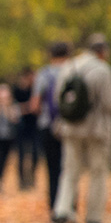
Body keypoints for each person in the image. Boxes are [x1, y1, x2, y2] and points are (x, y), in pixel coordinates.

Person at [51, 33, 111, 223]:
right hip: (97, 130)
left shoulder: (69, 66)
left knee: (69, 171)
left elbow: (59, 98)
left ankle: (62, 210)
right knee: (97, 173)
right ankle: (93, 219)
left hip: (71, 128)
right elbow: (110, 102)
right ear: (103, 51)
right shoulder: (103, 70)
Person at [30, 41, 71, 212]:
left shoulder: (44, 74)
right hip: (71, 127)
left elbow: (35, 105)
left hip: (48, 126)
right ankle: (69, 207)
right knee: (70, 170)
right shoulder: (74, 72)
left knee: (52, 169)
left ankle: (55, 209)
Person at [0, 82, 20, 194]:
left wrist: (6, 107)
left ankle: (1, 180)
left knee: (5, 160)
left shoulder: (13, 106)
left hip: (9, 138)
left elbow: (14, 119)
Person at [12, 67, 39, 190]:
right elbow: (14, 109)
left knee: (35, 154)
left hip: (34, 127)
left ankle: (31, 178)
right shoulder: (16, 91)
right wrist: (29, 107)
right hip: (21, 127)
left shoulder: (35, 90)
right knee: (21, 156)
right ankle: (22, 182)